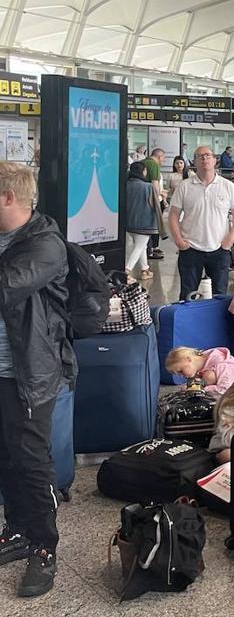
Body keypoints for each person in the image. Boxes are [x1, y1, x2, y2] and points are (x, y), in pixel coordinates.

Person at [0, 163, 70, 597]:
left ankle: (44, 545)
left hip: (29, 372)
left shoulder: (46, 245)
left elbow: (5, 286)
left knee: (31, 461)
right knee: (6, 458)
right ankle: (18, 529)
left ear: (9, 198)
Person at [169, 146, 234, 300]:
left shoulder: (227, 186)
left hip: (219, 249)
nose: (204, 158)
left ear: (215, 160)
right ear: (194, 162)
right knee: (187, 295)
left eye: (208, 155)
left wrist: (231, 238)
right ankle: (188, 323)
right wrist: (179, 241)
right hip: (190, 249)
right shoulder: (185, 186)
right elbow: (173, 216)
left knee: (220, 295)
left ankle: (216, 324)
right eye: (199, 156)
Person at [124, 161, 158, 281]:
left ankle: (145, 270)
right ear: (143, 171)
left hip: (129, 222)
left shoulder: (125, 185)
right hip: (145, 222)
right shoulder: (148, 186)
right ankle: (126, 272)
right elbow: (155, 203)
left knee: (141, 246)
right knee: (139, 247)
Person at [164, 346, 234, 395]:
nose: (181, 375)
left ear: (188, 359)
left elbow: (225, 389)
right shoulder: (202, 369)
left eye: (181, 371)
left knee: (209, 376)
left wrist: (201, 389)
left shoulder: (222, 364)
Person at [143, 148, 167, 261]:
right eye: (163, 158)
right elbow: (155, 184)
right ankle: (150, 250)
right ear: (159, 156)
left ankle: (148, 250)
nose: (164, 160)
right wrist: (159, 197)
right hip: (152, 200)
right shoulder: (154, 164)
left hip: (141, 199)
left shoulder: (142, 163)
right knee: (153, 226)